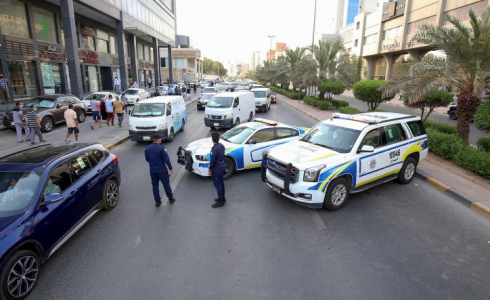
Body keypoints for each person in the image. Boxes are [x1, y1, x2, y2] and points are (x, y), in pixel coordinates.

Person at [145, 133, 175, 207]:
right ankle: (170, 199)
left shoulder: (147, 148)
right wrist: (170, 168)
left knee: (155, 186)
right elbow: (166, 159)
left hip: (152, 171)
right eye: (160, 138)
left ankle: (157, 201)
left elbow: (147, 159)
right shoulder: (161, 148)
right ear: (158, 140)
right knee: (166, 184)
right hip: (162, 170)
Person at [209, 133, 226, 208]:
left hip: (217, 168)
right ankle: (222, 198)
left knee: (217, 184)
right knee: (221, 183)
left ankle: (221, 201)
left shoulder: (214, 149)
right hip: (222, 166)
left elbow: (212, 161)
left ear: (212, 140)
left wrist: (210, 169)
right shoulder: (221, 146)